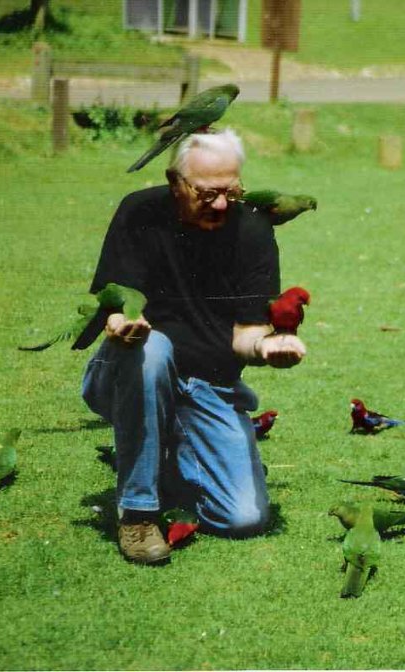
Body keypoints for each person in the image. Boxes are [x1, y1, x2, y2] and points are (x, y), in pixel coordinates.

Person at [81, 129, 307, 565]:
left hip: (207, 386)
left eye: (231, 191)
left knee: (242, 517)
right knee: (151, 352)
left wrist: (268, 349)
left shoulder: (253, 228)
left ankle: (169, 460)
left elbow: (246, 333)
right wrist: (120, 324)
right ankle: (138, 512)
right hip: (130, 372)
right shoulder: (140, 212)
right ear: (175, 183)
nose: (221, 204)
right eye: (207, 194)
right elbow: (114, 302)